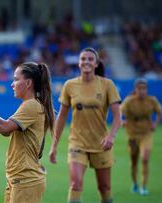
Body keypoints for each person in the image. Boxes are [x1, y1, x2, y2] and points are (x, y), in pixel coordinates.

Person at [0, 62, 55, 203]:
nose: (12, 84)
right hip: (18, 179)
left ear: (28, 83)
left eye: (16, 79)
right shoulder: (29, 104)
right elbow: (7, 128)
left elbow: (4, 128)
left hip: (26, 180)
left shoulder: (31, 105)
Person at [49, 47, 121, 203]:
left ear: (96, 64)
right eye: (83, 59)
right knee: (75, 184)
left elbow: (117, 116)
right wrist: (53, 145)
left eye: (90, 59)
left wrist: (111, 137)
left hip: (102, 144)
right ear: (78, 63)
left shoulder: (107, 85)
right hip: (77, 143)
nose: (86, 62)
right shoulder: (69, 85)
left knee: (104, 188)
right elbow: (61, 117)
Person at [120, 78, 162, 195]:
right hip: (132, 134)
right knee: (134, 161)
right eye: (139, 88)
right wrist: (122, 121)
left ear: (147, 90)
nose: (142, 91)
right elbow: (119, 112)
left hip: (146, 133)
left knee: (145, 158)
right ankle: (134, 183)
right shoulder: (129, 101)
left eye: (144, 88)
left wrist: (155, 123)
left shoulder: (152, 101)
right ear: (135, 90)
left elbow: (160, 112)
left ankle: (144, 186)